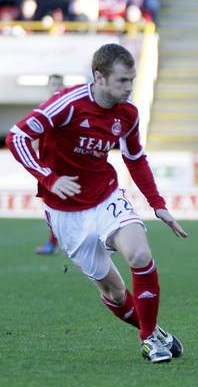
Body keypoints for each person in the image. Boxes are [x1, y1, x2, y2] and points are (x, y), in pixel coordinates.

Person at [5, 43, 188, 363]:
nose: (129, 88)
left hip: (106, 197)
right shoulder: (67, 104)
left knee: (140, 253)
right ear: (99, 77)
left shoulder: (128, 113)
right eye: (122, 81)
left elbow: (135, 158)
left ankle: (148, 340)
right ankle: (153, 329)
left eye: (132, 79)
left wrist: (157, 203)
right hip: (65, 212)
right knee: (115, 293)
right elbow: (16, 137)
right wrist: (49, 177)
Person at [35, 74, 64, 255]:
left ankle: (56, 244)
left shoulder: (68, 107)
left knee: (66, 206)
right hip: (46, 166)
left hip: (65, 165)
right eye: (53, 84)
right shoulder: (41, 109)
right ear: (48, 87)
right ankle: (55, 242)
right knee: (51, 206)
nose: (55, 87)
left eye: (58, 84)